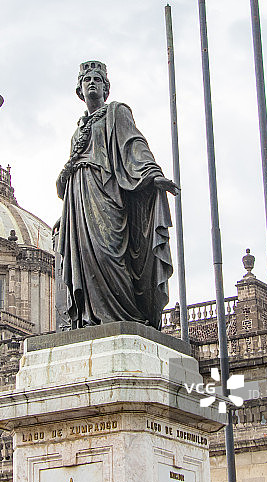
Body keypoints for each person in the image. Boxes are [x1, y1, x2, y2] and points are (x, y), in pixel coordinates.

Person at [55, 60, 177, 330]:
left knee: (109, 252)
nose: (92, 83)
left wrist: (152, 173)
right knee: (84, 254)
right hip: (79, 197)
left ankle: (125, 315)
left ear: (106, 87)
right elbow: (72, 166)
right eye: (86, 80)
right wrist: (66, 214)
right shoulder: (77, 131)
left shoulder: (116, 113)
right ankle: (91, 318)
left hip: (106, 193)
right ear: (79, 89)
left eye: (97, 79)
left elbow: (134, 143)